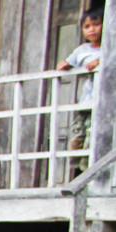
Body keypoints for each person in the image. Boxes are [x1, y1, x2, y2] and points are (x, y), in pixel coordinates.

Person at [58, 8, 104, 156]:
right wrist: (64, 64)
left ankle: (88, 164)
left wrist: (99, 62)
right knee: (79, 130)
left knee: (94, 131)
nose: (91, 30)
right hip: (85, 99)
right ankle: (77, 161)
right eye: (87, 26)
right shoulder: (82, 50)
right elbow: (69, 62)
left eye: (96, 24)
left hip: (103, 99)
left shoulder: (109, 48)